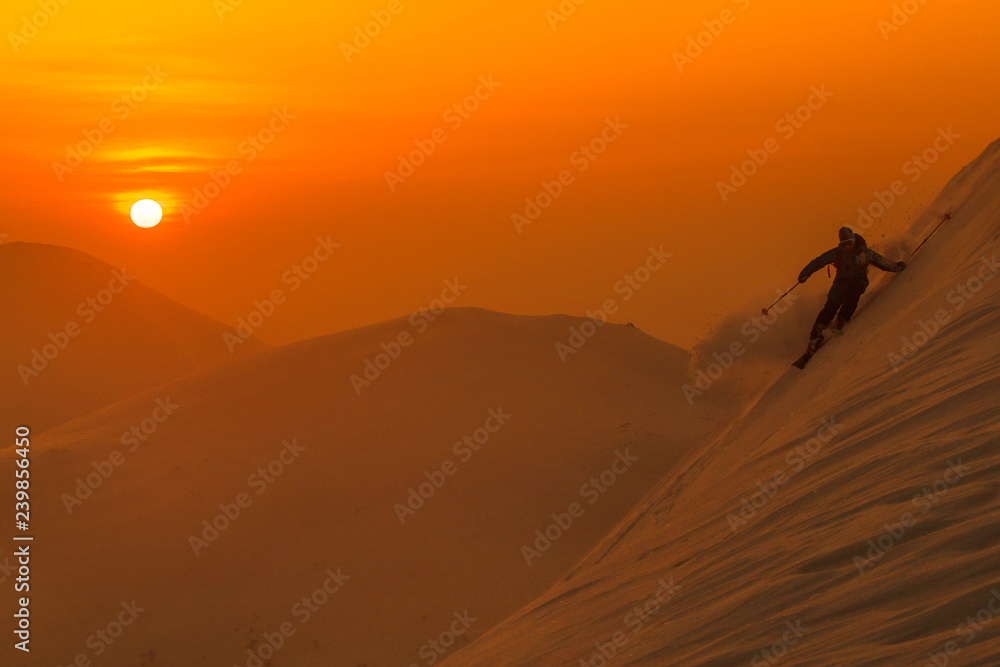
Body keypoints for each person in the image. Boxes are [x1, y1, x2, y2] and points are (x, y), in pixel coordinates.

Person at [798, 226, 906, 351]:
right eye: (844, 245)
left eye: (849, 243)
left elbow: (880, 262)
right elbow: (818, 261)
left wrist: (896, 266)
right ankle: (815, 336)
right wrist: (805, 273)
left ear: (853, 240)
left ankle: (842, 319)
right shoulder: (838, 253)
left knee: (853, 293)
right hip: (841, 282)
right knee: (830, 306)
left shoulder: (864, 253)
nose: (847, 247)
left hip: (858, 280)